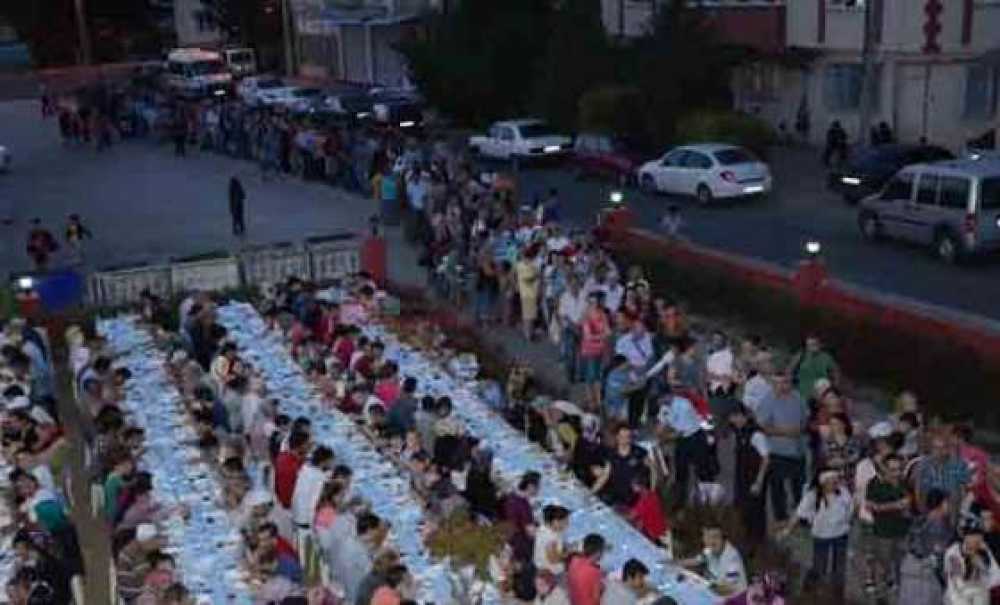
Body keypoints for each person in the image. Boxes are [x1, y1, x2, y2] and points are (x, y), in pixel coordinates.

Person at [786, 469, 853, 597]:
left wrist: (847, 521)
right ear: (823, 482)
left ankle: (838, 591)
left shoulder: (843, 492)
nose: (835, 483)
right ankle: (810, 586)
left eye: (836, 480)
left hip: (841, 534)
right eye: (832, 481)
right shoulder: (812, 496)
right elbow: (799, 513)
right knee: (820, 565)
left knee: (840, 565)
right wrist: (788, 529)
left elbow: (850, 509)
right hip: (821, 536)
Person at [756, 372, 807, 525]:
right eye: (777, 383)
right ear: (772, 384)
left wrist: (800, 429)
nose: (781, 386)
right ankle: (781, 518)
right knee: (777, 487)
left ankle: (801, 516)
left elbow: (805, 418)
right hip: (777, 450)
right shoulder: (767, 401)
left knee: (799, 485)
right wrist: (784, 432)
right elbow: (762, 426)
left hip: (798, 450)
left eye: (784, 382)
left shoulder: (797, 397)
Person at [865, 454, 912, 598]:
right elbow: (870, 506)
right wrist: (893, 506)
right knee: (883, 562)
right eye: (892, 470)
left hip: (902, 530)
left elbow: (909, 499)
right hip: (883, 531)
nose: (896, 473)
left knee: (901, 561)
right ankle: (881, 591)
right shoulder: (874, 483)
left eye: (898, 469)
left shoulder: (904, 482)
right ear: (884, 469)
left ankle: (899, 588)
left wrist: (908, 506)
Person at [899, 488, 954, 605]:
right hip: (924, 575)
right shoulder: (938, 525)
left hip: (909, 568)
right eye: (947, 502)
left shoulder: (920, 520)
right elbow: (938, 554)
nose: (949, 506)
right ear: (942, 505)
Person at [728, 405, 769, 544]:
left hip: (754, 478)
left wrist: (759, 481)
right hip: (742, 478)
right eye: (733, 417)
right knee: (741, 509)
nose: (735, 420)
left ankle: (758, 541)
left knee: (755, 511)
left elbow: (765, 458)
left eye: (738, 416)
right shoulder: (738, 432)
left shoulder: (756, 434)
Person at [680, 524, 748, 595]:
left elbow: (729, 588)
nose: (711, 541)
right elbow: (696, 561)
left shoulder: (732, 559)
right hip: (716, 591)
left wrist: (704, 587)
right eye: (707, 537)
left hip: (733, 597)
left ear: (723, 539)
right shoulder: (710, 549)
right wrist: (675, 564)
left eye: (715, 537)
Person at [943, 524, 995, 605]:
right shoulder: (954, 552)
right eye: (973, 535)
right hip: (959, 591)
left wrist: (980, 558)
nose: (978, 538)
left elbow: (993, 575)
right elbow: (955, 582)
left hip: (979, 590)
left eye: (980, 536)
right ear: (965, 537)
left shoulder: (984, 551)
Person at [567, 534, 606, 605]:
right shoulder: (595, 572)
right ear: (598, 553)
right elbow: (596, 599)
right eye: (603, 551)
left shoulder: (574, 561)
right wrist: (602, 589)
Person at [534, 504, 570, 576]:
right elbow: (554, 560)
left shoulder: (545, 528)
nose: (567, 524)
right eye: (565, 521)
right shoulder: (550, 538)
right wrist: (569, 553)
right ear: (555, 522)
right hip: (552, 573)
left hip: (542, 567)